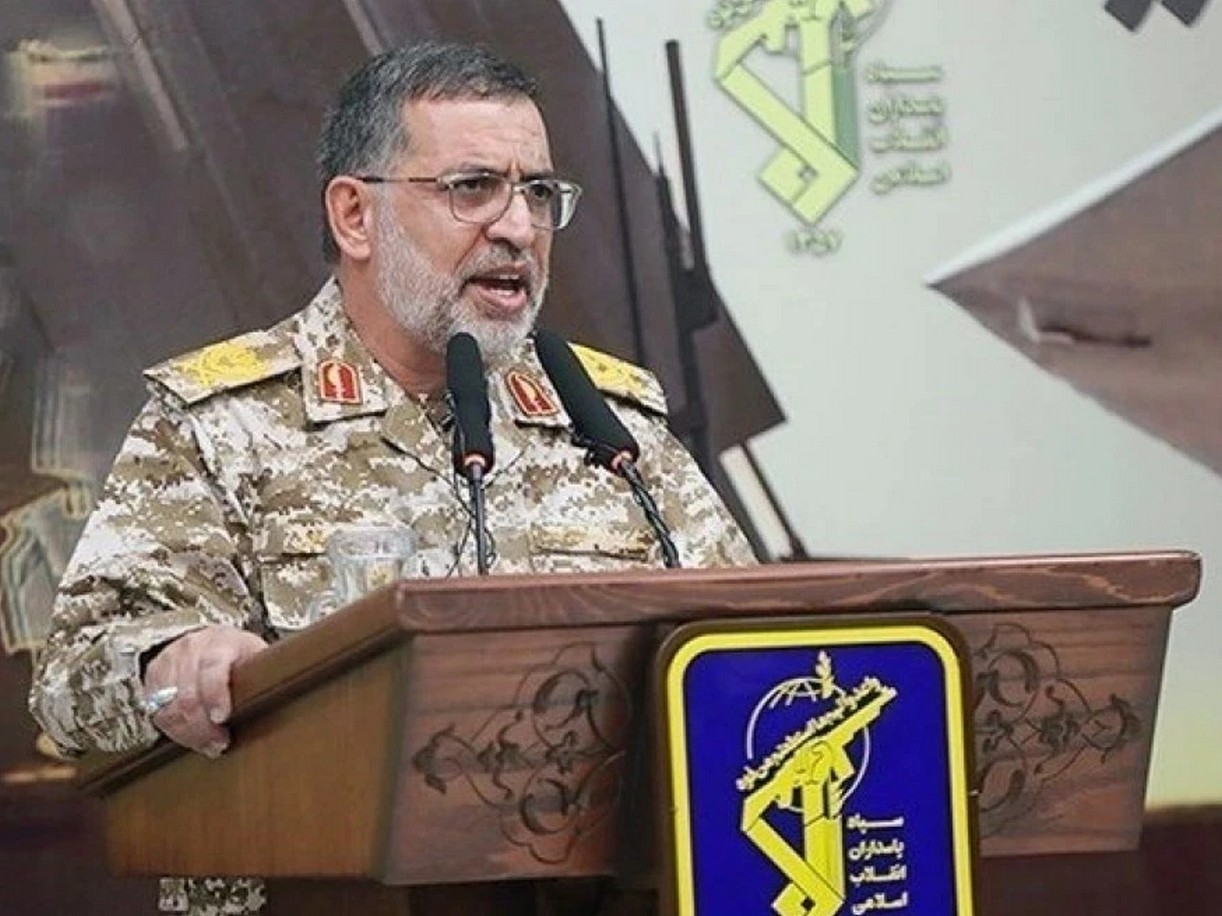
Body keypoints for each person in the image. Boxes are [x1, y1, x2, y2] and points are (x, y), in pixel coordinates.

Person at [29, 40, 755, 915]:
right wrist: (169, 665)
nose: (518, 228)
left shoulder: (607, 421)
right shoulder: (222, 421)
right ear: (355, 216)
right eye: (473, 188)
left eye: (538, 193)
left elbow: (747, 649)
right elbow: (68, 685)